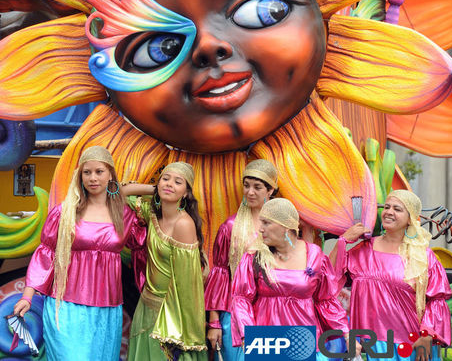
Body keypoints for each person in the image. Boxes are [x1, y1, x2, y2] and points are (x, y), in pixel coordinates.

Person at [13, 145, 147, 361]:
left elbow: (143, 250)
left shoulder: (125, 214)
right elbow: (46, 255)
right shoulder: (65, 212)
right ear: (80, 176)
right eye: (87, 172)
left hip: (106, 309)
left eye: (99, 172)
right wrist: (28, 296)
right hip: (66, 306)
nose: (93, 178)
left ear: (111, 174)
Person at [331, 189, 452, 361]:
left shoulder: (423, 256)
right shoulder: (364, 250)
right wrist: (343, 240)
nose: (389, 212)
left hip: (409, 346)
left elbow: (437, 300)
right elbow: (329, 277)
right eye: (387, 207)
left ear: (410, 218)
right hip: (367, 345)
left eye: (397, 209)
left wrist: (427, 335)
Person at [230, 198, 354, 360]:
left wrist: (346, 333)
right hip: (266, 338)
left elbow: (325, 300)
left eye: (267, 223)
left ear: (285, 227)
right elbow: (241, 299)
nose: (261, 229)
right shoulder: (254, 256)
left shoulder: (315, 256)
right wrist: (247, 334)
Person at [127, 161, 208, 361]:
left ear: (187, 193)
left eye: (178, 182)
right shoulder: (153, 215)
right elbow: (119, 192)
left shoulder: (183, 224)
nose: (170, 184)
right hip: (146, 306)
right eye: (165, 179)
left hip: (169, 314)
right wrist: (155, 188)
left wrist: (179, 330)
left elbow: (186, 285)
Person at [205, 159, 277, 360]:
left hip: (271, 311)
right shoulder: (230, 226)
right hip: (235, 313)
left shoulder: (280, 227)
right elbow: (220, 276)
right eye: (246, 186)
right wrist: (214, 322)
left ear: (270, 190)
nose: (250, 192)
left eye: (257, 187)